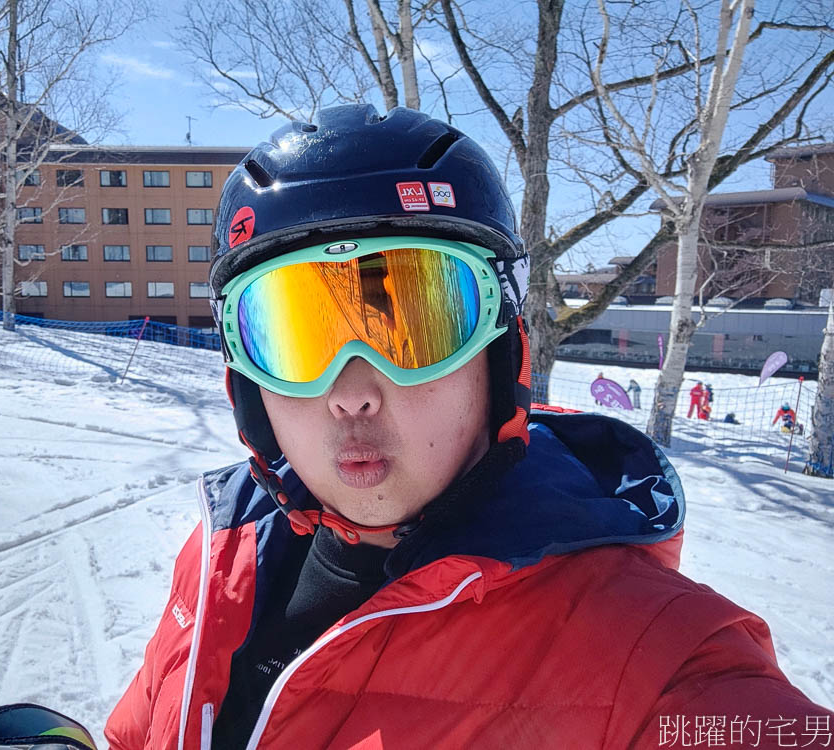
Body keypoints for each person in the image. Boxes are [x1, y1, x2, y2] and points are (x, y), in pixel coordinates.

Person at [105, 106, 830, 750]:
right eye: (295, 339)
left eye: (415, 326)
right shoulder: (225, 550)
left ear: (498, 352)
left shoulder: (647, 651)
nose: (351, 393)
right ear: (249, 383)